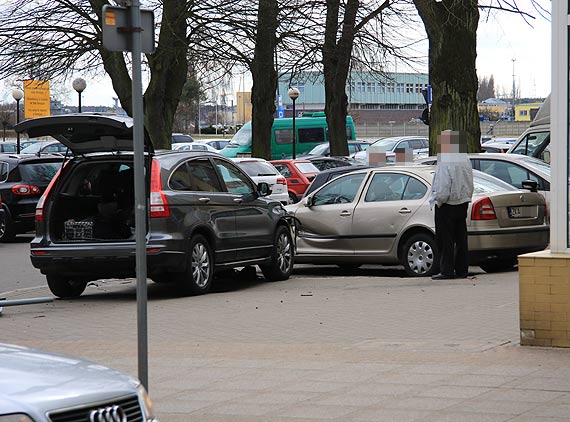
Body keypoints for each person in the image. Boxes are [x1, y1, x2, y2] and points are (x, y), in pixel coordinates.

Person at [429, 130, 474, 280]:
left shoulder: (445, 161)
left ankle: (446, 270)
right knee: (461, 239)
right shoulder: (464, 159)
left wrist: (439, 201)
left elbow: (442, 186)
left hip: (447, 205)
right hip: (462, 203)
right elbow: (470, 181)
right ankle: (462, 269)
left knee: (445, 239)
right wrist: (467, 197)